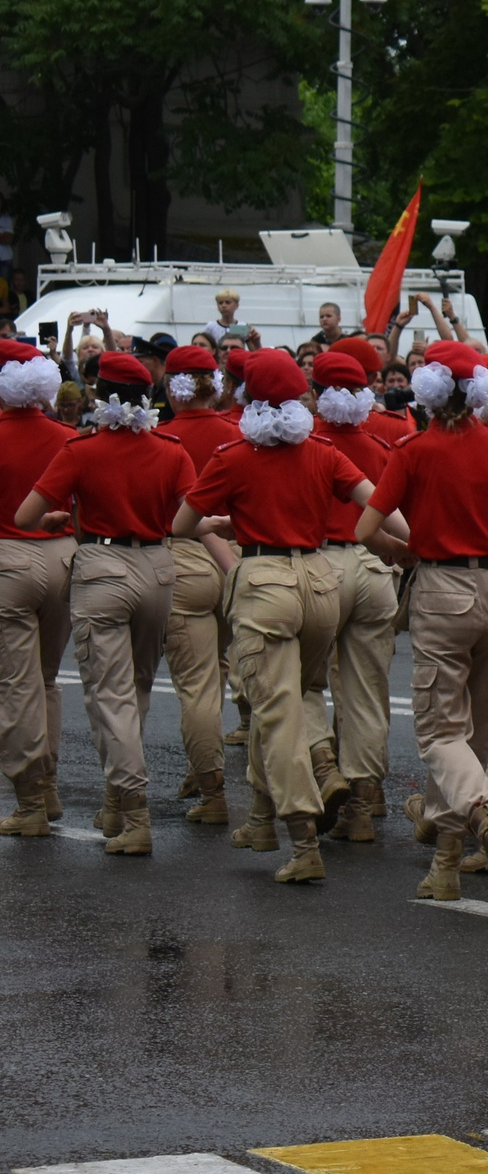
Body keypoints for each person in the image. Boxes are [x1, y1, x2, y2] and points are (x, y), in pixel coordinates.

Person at [171, 351, 390, 883]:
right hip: (320, 583)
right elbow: (382, 506)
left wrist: (230, 520)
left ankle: (303, 837)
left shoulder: (233, 457)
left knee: (276, 711)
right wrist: (409, 545)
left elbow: (182, 524)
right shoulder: (324, 452)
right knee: (297, 695)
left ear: (248, 400)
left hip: (265, 584)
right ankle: (262, 819)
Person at [355, 341, 488, 900]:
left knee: (438, 731)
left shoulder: (414, 449)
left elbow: (365, 529)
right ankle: (447, 863)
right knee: (472, 734)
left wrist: (398, 553)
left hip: (441, 589)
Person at [13, 353, 191, 853]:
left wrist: (57, 521)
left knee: (108, 696)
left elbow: (28, 516)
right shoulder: (172, 450)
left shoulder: (80, 450)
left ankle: (134, 813)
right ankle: (115, 803)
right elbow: (188, 518)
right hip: (157, 566)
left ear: (100, 397)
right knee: (135, 690)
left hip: (103, 567)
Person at [308, 351, 400, 842]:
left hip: (320, 563)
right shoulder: (380, 446)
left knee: (300, 682)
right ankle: (363, 805)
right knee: (367, 691)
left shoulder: (307, 444)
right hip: (373, 566)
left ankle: (323, 766)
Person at [158, 343, 238, 820]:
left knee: (198, 686)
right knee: (220, 674)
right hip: (237, 558)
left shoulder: (162, 437)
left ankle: (212, 793)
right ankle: (200, 765)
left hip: (183, 557)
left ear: (174, 389)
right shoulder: (236, 433)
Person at [0, 339, 72, 835]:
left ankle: (29, 802)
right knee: (46, 679)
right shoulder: (67, 435)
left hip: (9, 558)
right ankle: (47, 788)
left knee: (18, 684)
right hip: (63, 555)